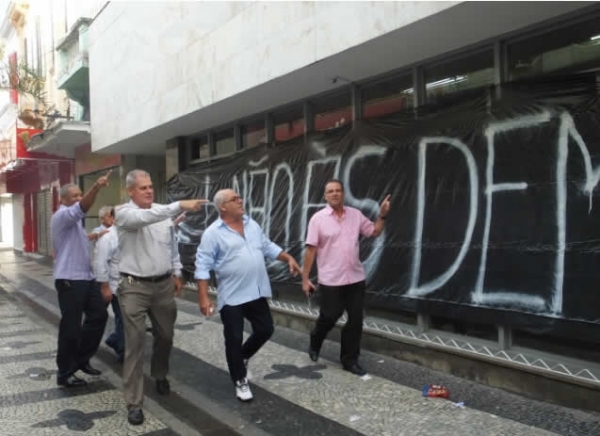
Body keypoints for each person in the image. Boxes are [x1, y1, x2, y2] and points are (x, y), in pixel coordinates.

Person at [114, 169, 207, 426]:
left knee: (165, 336)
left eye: (151, 186)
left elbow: (171, 244)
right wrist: (177, 205)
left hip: (163, 284)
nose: (149, 191)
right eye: (143, 187)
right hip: (133, 285)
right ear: (131, 191)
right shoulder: (123, 213)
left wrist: (177, 272)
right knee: (135, 342)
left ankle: (160, 373)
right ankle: (134, 402)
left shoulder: (162, 213)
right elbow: (144, 218)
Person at [195, 189, 301, 402]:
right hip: (232, 295)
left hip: (256, 290)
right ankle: (239, 379)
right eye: (234, 199)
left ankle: (242, 357)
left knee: (265, 329)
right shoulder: (213, 233)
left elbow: (267, 246)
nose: (240, 200)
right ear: (223, 206)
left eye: (240, 197)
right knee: (233, 338)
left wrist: (287, 257)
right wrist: (203, 297)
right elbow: (203, 265)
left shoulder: (252, 225)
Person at [302, 179, 390, 376]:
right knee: (330, 316)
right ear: (325, 196)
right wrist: (305, 278)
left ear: (343, 194)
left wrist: (382, 215)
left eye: (338, 190)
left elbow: (374, 232)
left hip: (355, 279)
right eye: (330, 191)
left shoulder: (355, 215)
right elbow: (310, 250)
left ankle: (349, 360)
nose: (335, 194)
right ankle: (316, 339)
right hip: (331, 280)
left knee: (356, 320)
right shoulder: (318, 219)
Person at [51, 170, 112, 388]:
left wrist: (95, 235)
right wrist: (96, 187)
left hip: (86, 278)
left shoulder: (75, 223)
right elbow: (83, 207)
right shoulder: (62, 215)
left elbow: (76, 240)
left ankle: (80, 360)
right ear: (63, 199)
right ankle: (64, 372)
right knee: (71, 327)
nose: (78, 198)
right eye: (74, 195)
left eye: (80, 194)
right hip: (69, 280)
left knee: (99, 316)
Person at [93, 206, 124, 363]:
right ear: (111, 218)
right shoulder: (107, 237)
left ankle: (119, 346)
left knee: (123, 318)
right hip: (108, 284)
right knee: (96, 317)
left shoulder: (127, 234)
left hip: (123, 284)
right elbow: (100, 263)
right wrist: (104, 287)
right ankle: (84, 344)